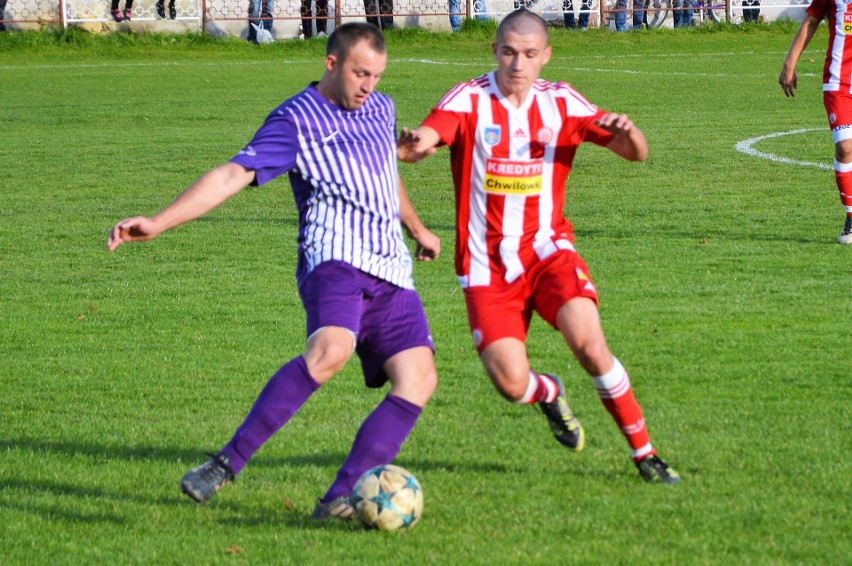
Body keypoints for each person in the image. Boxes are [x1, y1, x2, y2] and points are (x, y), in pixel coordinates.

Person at [107, 22, 442, 519]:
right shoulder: (295, 120)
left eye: (375, 75)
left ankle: (339, 500)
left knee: (419, 379)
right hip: (335, 259)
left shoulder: (381, 108)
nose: (367, 85)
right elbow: (230, 175)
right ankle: (225, 463)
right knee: (331, 352)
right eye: (359, 74)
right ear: (331, 64)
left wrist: (416, 227)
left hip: (390, 266)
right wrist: (158, 222)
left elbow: (384, 172)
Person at [398, 9, 681, 484]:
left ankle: (645, 454)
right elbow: (426, 136)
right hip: (487, 267)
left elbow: (636, 153)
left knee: (591, 345)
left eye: (529, 54)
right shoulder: (469, 99)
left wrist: (628, 131)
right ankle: (549, 393)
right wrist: (415, 144)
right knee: (511, 383)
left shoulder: (564, 102)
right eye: (508, 52)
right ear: (495, 51)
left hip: (549, 252)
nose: (517, 64)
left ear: (545, 56)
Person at [780, 3, 852, 244]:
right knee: (845, 147)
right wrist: (789, 63)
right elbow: (811, 21)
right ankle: (851, 218)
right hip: (839, 84)